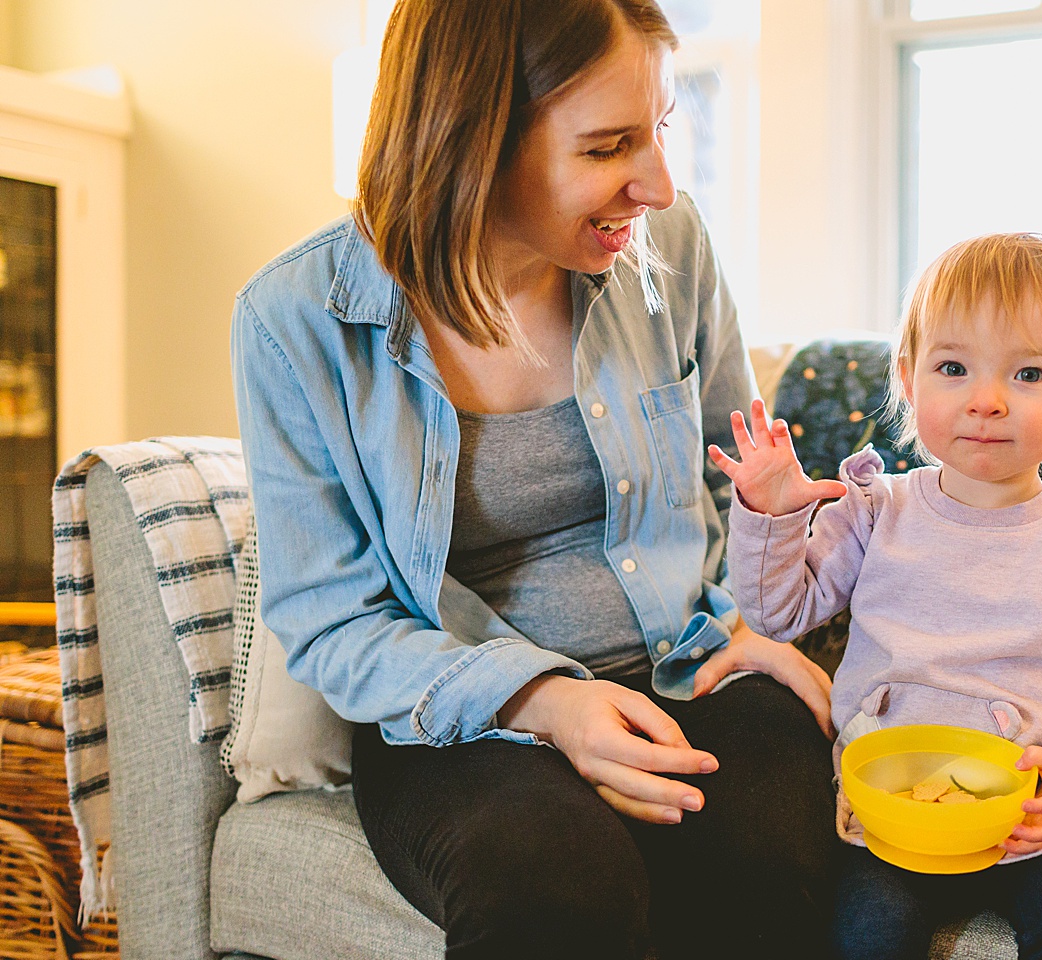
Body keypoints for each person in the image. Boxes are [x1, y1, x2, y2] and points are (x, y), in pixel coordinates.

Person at [230, 2, 837, 958]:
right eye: (608, 147)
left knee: (770, 859)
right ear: (470, 139)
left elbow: (738, 483)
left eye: (662, 129)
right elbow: (332, 617)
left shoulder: (671, 257)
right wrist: (548, 704)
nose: (661, 186)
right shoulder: (296, 319)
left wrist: (752, 620)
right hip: (462, 719)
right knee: (558, 888)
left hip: (686, 662)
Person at [710, 233, 1042, 960]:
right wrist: (772, 515)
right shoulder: (871, 509)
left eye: (1027, 374)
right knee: (864, 937)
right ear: (910, 380)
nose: (985, 402)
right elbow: (778, 613)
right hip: (894, 818)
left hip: (1039, 827)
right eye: (953, 368)